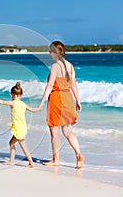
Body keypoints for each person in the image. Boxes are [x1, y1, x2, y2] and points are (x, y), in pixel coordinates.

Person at [38, 41, 84, 169]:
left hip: (57, 98)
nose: (49, 54)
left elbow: (50, 85)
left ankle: (55, 159)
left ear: (54, 52)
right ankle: (78, 154)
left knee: (55, 132)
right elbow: (74, 85)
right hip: (68, 98)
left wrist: (42, 101)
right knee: (68, 131)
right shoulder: (70, 66)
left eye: (50, 51)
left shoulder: (55, 66)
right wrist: (78, 101)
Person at [0, 82, 41, 168]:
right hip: (22, 127)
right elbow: (32, 110)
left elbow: (2, 102)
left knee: (23, 146)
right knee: (11, 143)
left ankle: (31, 162)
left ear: (11, 94)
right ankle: (11, 161)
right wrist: (39, 108)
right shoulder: (23, 104)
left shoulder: (13, 103)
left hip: (18, 128)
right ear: (21, 95)